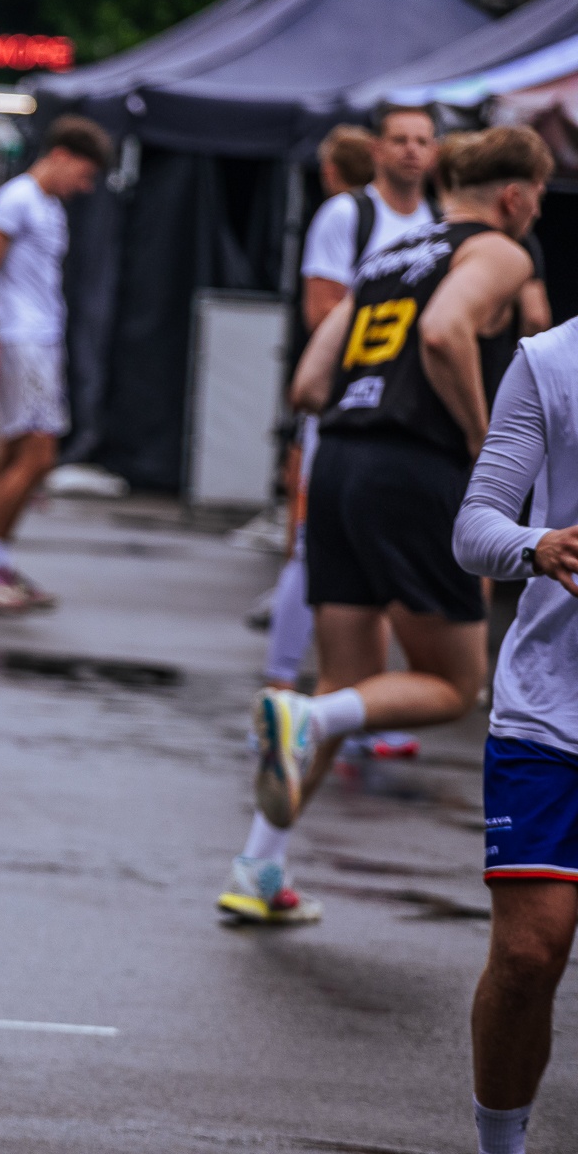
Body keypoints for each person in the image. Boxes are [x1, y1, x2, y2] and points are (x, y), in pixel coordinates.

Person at [224, 126, 548, 928]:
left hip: (339, 462)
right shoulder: (499, 251)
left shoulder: (390, 256)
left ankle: (258, 867)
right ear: (514, 197)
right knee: (454, 685)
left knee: (346, 686)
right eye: (538, 198)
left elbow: (308, 384)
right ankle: (307, 722)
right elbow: (443, 331)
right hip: (414, 468)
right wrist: (483, 442)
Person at [453, 307, 578, 1154]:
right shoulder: (551, 360)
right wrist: (541, 545)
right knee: (531, 956)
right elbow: (476, 527)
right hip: (550, 710)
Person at [0, 116, 112, 613]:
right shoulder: (18, 199)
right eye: (84, 174)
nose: (84, 186)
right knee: (38, 456)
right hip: (21, 339)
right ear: (62, 156)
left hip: (40, 339)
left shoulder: (49, 206)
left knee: (14, 452)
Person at [258, 125, 378, 694]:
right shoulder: (344, 215)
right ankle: (284, 688)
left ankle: (357, 703)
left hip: (384, 413)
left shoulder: (428, 221)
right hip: (341, 405)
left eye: (421, 141)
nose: (411, 151)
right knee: (312, 544)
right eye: (400, 139)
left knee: (366, 557)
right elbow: (322, 314)